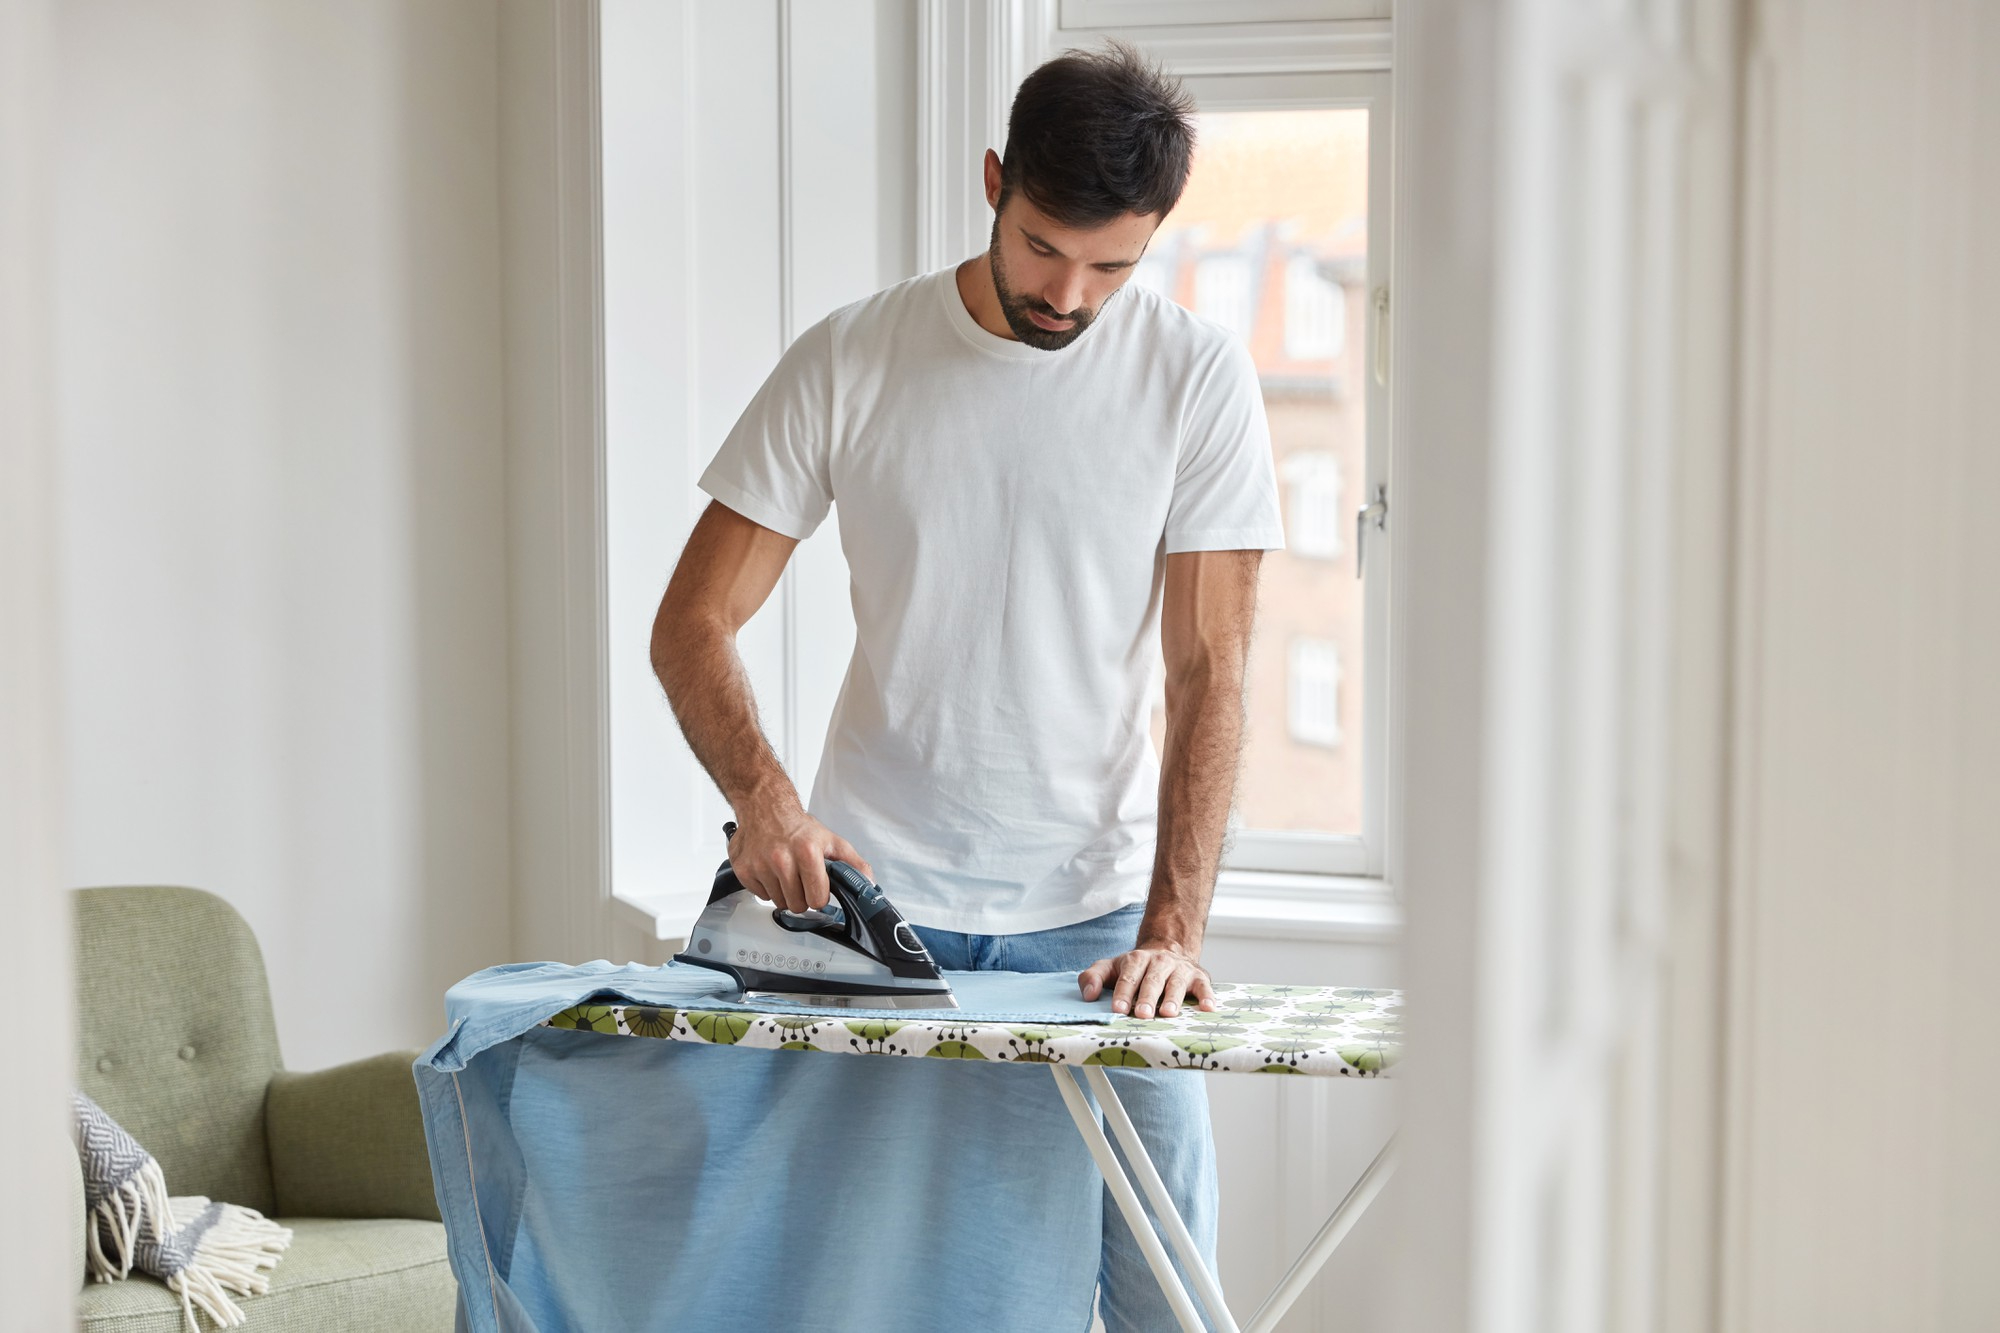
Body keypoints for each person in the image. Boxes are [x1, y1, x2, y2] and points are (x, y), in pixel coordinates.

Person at [651, 39, 1282, 1331]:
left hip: (1101, 934)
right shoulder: (852, 357)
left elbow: (1211, 666)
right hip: (885, 928)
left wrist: (1174, 928)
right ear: (994, 180)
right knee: (918, 1298)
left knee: (1174, 1302)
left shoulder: (1195, 378)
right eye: (1047, 245)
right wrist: (766, 803)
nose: (1072, 294)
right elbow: (691, 623)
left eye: (1115, 264)